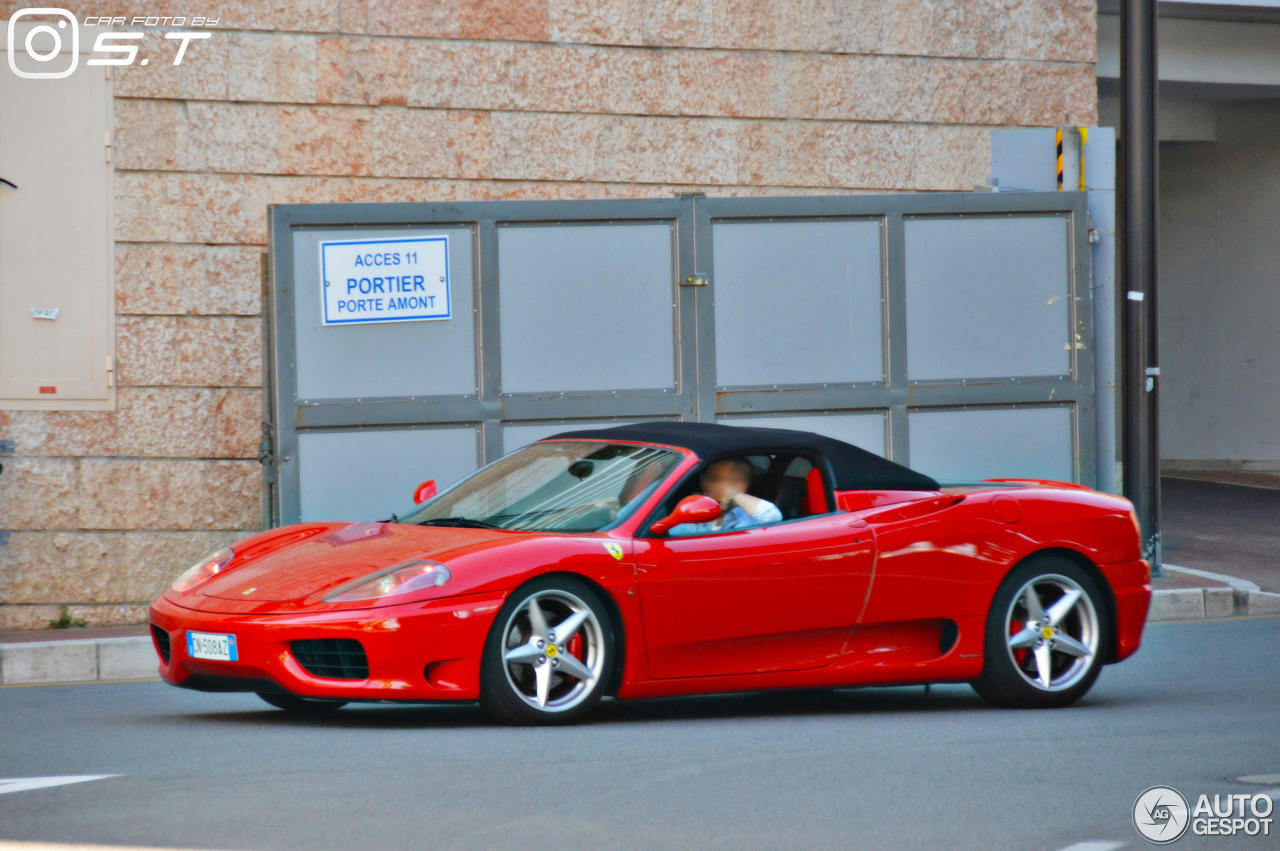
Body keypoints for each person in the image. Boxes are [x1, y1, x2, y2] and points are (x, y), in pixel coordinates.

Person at [668, 457, 783, 536]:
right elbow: (671, 534)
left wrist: (732, 493)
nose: (706, 484)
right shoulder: (697, 510)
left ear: (737, 485)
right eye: (705, 477)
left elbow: (771, 516)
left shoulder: (749, 518)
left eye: (713, 479)